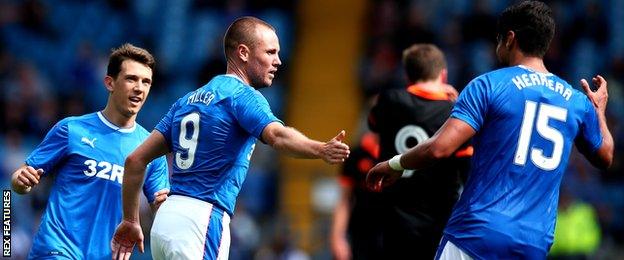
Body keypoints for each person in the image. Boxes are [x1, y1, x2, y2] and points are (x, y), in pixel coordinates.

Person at [366, 1, 614, 259]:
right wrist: (599, 113)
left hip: (476, 233)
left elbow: (440, 148)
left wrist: (394, 164)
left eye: (498, 40)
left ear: (510, 39)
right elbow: (605, 157)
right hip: (533, 244)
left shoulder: (488, 85)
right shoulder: (576, 101)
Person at [111, 16, 351, 260]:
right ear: (244, 53)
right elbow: (277, 136)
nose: (278, 61)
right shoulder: (242, 96)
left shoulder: (185, 101)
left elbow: (135, 160)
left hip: (166, 221)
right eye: (270, 52)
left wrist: (130, 220)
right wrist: (320, 149)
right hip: (202, 220)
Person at [10, 43, 170, 259]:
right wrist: (20, 182)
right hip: (57, 249)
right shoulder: (71, 129)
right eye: (131, 78)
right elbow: (20, 179)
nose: (139, 88)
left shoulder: (151, 149)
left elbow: (161, 209)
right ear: (110, 82)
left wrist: (166, 208)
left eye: (146, 82)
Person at [369, 43, 472, 259]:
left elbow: (373, 124)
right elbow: (467, 169)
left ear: (407, 76)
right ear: (443, 75)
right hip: (439, 221)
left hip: (393, 219)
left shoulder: (389, 100)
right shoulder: (454, 114)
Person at [330, 132, 384, 260]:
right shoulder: (356, 155)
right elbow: (344, 200)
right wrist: (337, 237)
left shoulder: (401, 152)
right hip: (360, 235)